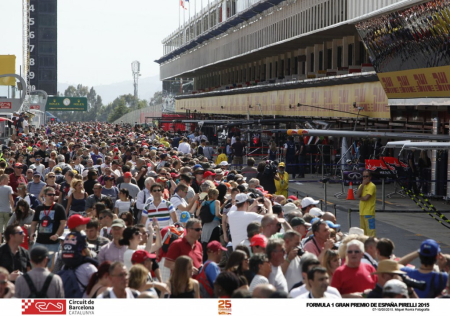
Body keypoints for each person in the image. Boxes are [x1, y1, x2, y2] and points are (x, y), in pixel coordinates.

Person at [30, 187, 66, 265]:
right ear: (44, 196)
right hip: (39, 241)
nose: (52, 196)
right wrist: (32, 233)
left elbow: (63, 223)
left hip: (53, 243)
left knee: (51, 267)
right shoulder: (39, 208)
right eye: (50, 195)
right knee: (35, 264)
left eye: (53, 194)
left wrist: (57, 235)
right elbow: (34, 223)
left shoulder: (59, 208)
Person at [355, 170, 376, 237]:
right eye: (363, 176)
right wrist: (363, 185)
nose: (364, 178)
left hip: (369, 212)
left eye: (366, 176)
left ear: (370, 177)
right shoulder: (361, 185)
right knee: (363, 232)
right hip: (362, 212)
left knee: (370, 232)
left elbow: (366, 198)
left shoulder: (372, 186)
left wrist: (361, 197)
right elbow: (357, 195)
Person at [0, 174, 14, 242]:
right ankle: (7, 243)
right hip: (7, 210)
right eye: (8, 180)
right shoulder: (9, 188)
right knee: (7, 228)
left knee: (0, 229)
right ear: (4, 180)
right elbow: (11, 200)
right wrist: (13, 208)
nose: (8, 181)